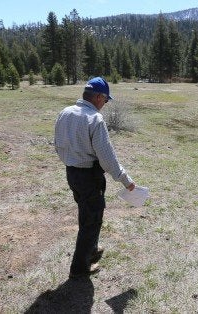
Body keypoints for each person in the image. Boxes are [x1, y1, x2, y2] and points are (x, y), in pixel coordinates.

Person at [54, 76, 135, 279]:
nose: (105, 105)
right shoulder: (95, 119)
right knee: (92, 220)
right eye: (106, 100)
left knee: (87, 212)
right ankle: (79, 268)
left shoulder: (65, 113)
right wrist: (126, 180)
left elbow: (58, 145)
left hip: (71, 172)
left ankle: (92, 247)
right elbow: (107, 158)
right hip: (89, 175)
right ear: (98, 97)